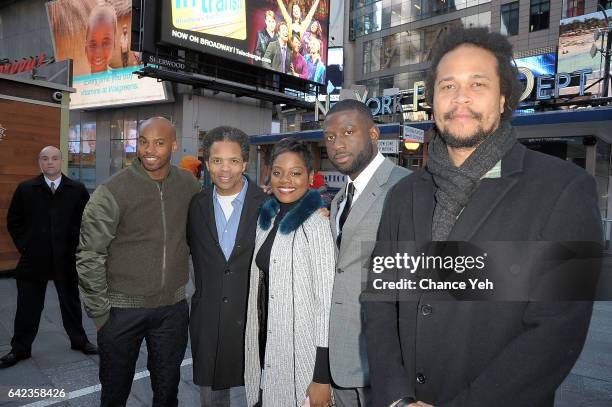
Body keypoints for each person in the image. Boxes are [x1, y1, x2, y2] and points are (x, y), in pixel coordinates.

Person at [365, 27, 602, 407]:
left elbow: (557, 332)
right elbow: (379, 304)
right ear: (432, 100)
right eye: (447, 86)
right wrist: (397, 398)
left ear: (504, 96)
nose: (461, 98)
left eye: (477, 84)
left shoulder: (566, 189)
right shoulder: (402, 196)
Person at [76, 117, 201, 406]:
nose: (149, 149)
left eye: (159, 143)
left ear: (173, 145)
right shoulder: (112, 190)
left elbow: (214, 221)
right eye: (143, 141)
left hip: (172, 311)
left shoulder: (189, 186)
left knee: (168, 392)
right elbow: (90, 253)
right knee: (114, 393)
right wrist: (100, 314)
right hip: (121, 311)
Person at [322, 100, 410, 406]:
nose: (337, 144)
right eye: (330, 137)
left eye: (348, 131)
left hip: (384, 364)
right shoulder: (338, 200)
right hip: (341, 360)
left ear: (373, 134)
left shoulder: (406, 186)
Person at [244, 138, 335, 407]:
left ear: (310, 177)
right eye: (278, 172)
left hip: (300, 357)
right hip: (264, 346)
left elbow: (326, 305)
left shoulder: (316, 225)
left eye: (296, 173)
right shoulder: (266, 219)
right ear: (268, 175)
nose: (286, 180)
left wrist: (322, 376)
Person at [188, 127, 267, 406]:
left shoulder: (268, 205)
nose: (225, 169)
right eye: (217, 160)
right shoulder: (194, 206)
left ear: (244, 164)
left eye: (233, 161)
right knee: (211, 397)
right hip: (208, 319)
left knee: (263, 394)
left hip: (257, 321)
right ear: (207, 163)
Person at [0, 146, 96, 369]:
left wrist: (78, 248)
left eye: (54, 158)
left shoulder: (77, 189)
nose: (49, 162)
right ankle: (20, 349)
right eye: (44, 158)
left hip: (67, 258)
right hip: (34, 259)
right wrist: (26, 246)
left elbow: (87, 223)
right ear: (39, 163)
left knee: (71, 303)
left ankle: (79, 341)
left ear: (61, 161)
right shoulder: (26, 189)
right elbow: (14, 220)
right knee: (27, 307)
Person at [85, 2, 117, 74]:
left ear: (114, 44)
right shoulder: (80, 83)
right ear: (85, 46)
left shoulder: (121, 81)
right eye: (93, 44)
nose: (98, 52)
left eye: (106, 43)